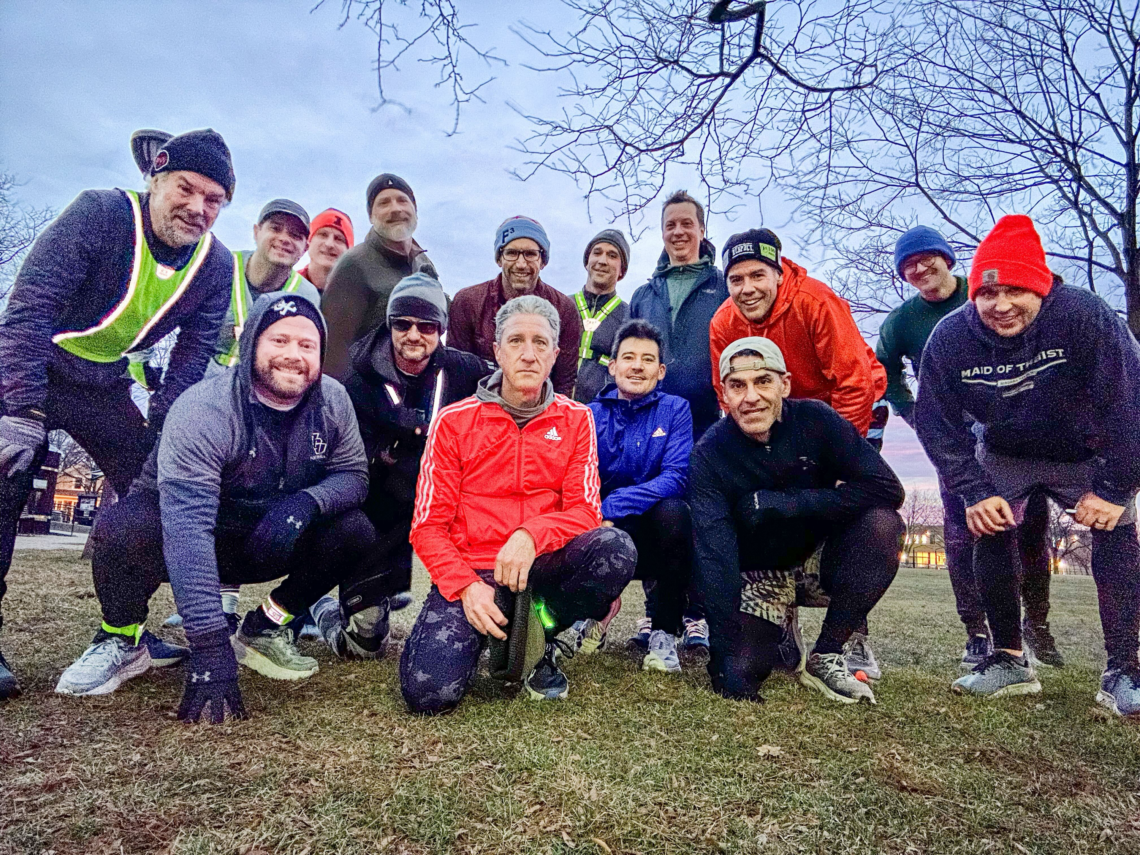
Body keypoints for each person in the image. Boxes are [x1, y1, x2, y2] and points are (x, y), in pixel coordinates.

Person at [55, 292, 375, 723]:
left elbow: (353, 475)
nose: (293, 356)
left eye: (306, 345)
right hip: (187, 534)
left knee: (355, 529)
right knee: (123, 525)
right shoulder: (206, 407)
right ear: (251, 346)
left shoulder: (332, 401)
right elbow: (187, 530)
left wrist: (307, 502)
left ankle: (265, 626)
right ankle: (123, 635)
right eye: (279, 341)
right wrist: (209, 647)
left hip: (269, 534)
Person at [0, 128, 236, 700]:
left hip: (100, 386)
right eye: (187, 188)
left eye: (215, 200)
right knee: (6, 474)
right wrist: (22, 409)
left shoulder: (215, 265)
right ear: (154, 178)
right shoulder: (100, 214)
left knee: (154, 492)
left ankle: (124, 631)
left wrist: (166, 439)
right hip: (32, 367)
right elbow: (29, 310)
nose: (198, 208)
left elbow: (188, 363)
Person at [915, 215, 1140, 715]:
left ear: (1042, 287)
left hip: (1086, 447)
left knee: (1118, 529)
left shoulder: (1085, 316)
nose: (1000, 305)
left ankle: (1125, 668)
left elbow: (1130, 402)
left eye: (1016, 290)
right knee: (990, 525)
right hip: (1006, 449)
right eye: (987, 294)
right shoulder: (951, 338)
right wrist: (972, 490)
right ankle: (1009, 658)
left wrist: (1115, 487)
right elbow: (936, 423)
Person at [401, 295, 637, 712]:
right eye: (516, 341)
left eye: (540, 343)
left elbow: (586, 511)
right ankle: (492, 629)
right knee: (428, 694)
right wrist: (465, 586)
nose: (528, 354)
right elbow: (427, 526)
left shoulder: (576, 418)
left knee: (615, 549)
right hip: (474, 571)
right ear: (496, 351)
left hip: (542, 565)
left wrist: (531, 534)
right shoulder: (453, 421)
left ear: (555, 355)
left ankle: (542, 634)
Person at [708, 228, 888, 679]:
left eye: (758, 275)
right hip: (772, 423)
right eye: (736, 280)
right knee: (771, 509)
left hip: (837, 415)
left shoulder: (815, 301)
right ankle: (777, 610)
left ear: (779, 272)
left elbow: (853, 381)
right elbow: (722, 390)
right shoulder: (723, 323)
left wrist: (839, 459)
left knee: (850, 511)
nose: (747, 289)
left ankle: (849, 637)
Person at [879, 226, 1058, 670]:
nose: (919, 269)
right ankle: (977, 632)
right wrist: (914, 412)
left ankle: (1036, 624)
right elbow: (883, 369)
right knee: (962, 532)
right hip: (955, 439)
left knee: (1030, 529)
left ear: (947, 258)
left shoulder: (985, 296)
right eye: (908, 264)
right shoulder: (903, 321)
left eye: (926, 258)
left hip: (1018, 430)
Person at [690, 337, 905, 705]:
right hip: (759, 575)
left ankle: (828, 651)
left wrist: (791, 503)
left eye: (763, 381)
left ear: (784, 385)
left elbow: (887, 488)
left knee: (884, 525)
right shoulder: (710, 453)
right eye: (737, 386)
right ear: (723, 393)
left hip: (820, 560)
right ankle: (778, 628)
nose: (751, 396)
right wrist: (722, 652)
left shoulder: (817, 420)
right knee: (741, 673)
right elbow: (715, 552)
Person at [309, 272, 491, 655]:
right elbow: (346, 464)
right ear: (389, 324)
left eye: (427, 326)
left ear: (440, 330)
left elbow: (509, 386)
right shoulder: (355, 375)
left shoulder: (463, 369)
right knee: (365, 646)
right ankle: (327, 610)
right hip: (379, 509)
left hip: (448, 506)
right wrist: (393, 441)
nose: (414, 335)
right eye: (402, 323)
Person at [629, 190, 729, 651]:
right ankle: (656, 615)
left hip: (709, 421)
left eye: (687, 223)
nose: (679, 232)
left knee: (700, 514)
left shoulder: (723, 286)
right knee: (658, 513)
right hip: (654, 422)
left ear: (702, 229)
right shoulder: (644, 293)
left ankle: (696, 615)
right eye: (671, 224)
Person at [570, 319, 693, 673]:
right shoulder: (588, 414)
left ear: (661, 370)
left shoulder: (675, 410)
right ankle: (591, 616)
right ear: (613, 366)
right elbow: (580, 475)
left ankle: (664, 632)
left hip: (652, 529)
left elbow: (676, 476)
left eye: (647, 359)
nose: (637, 366)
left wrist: (613, 507)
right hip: (600, 528)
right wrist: (598, 513)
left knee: (676, 513)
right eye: (628, 357)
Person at [448, 216, 582, 396]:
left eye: (530, 254)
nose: (520, 264)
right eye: (511, 253)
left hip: (539, 410)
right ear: (499, 259)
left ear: (543, 261)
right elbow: (456, 372)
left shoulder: (564, 310)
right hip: (478, 408)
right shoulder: (468, 302)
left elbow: (564, 382)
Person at [322, 174, 435, 380]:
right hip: (367, 396)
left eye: (402, 200)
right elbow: (333, 349)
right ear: (371, 217)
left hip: (416, 389)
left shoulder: (424, 265)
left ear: (415, 209)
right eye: (384, 203)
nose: (395, 209)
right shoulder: (354, 265)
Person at [210, 198, 321, 373]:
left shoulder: (306, 295)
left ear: (305, 248)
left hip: (262, 389)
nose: (284, 239)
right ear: (256, 232)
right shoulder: (218, 266)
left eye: (295, 235)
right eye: (275, 228)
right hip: (201, 380)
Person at [572, 229, 631, 404]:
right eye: (597, 253)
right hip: (556, 408)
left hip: (602, 411)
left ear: (622, 270)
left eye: (612, 256)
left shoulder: (628, 315)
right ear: (587, 262)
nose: (602, 261)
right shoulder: (563, 306)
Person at [299, 208, 354, 292]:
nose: (329, 244)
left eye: (339, 239)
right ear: (308, 241)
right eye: (323, 235)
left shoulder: (359, 293)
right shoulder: (286, 285)